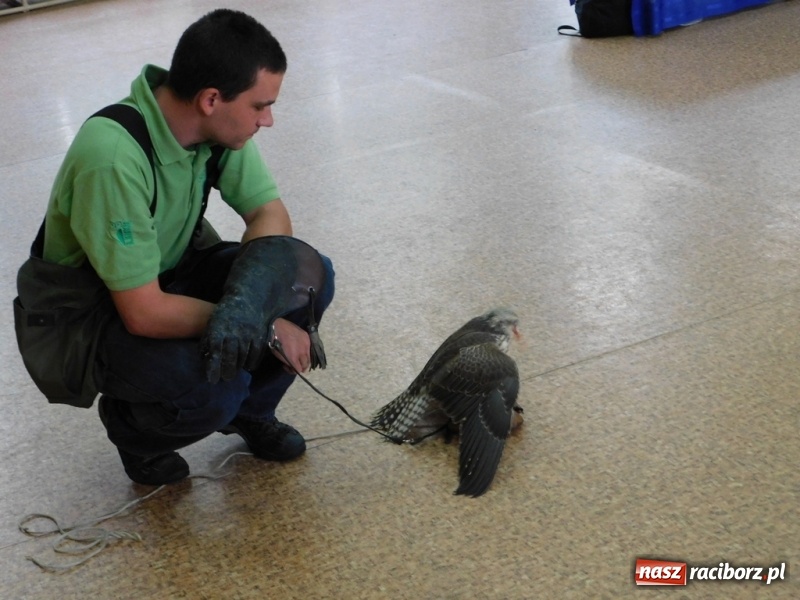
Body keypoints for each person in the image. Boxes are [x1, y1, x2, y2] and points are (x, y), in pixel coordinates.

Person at [14, 9, 335, 486]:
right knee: (209, 386)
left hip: (169, 272)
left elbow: (270, 216)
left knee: (308, 275)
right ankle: (136, 434)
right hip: (95, 313)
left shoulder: (219, 127)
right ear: (211, 99)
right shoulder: (112, 156)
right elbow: (143, 312)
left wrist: (256, 303)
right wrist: (261, 321)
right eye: (260, 106)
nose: (268, 120)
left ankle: (251, 412)